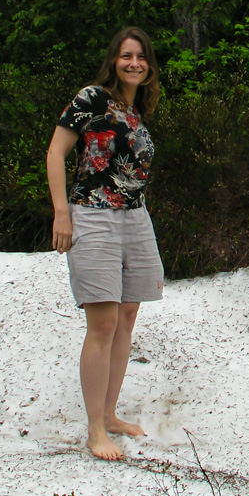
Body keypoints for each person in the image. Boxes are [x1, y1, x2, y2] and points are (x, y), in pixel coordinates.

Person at [46, 27, 165, 461]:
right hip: (93, 216)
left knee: (127, 315)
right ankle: (95, 428)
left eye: (141, 57)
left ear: (149, 66)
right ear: (113, 60)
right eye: (126, 56)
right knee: (102, 323)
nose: (134, 63)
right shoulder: (92, 99)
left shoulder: (137, 110)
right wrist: (62, 213)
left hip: (135, 217)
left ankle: (111, 414)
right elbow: (56, 152)